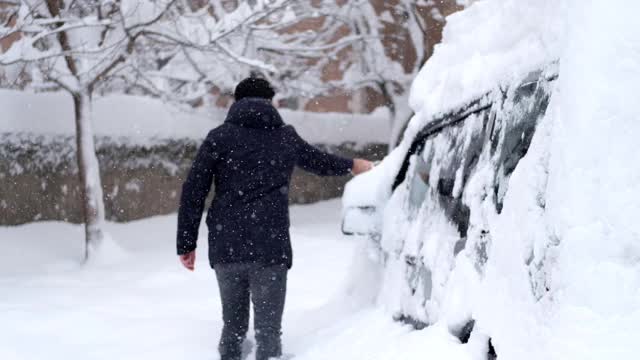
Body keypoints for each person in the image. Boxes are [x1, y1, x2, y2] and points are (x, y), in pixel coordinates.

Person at [176, 77, 373, 360]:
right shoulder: (284, 137)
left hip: (227, 246)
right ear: (270, 102)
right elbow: (319, 162)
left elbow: (194, 191)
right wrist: (353, 165)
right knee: (268, 332)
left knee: (232, 328)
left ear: (236, 102)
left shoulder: (219, 137)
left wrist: (186, 243)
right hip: (271, 246)